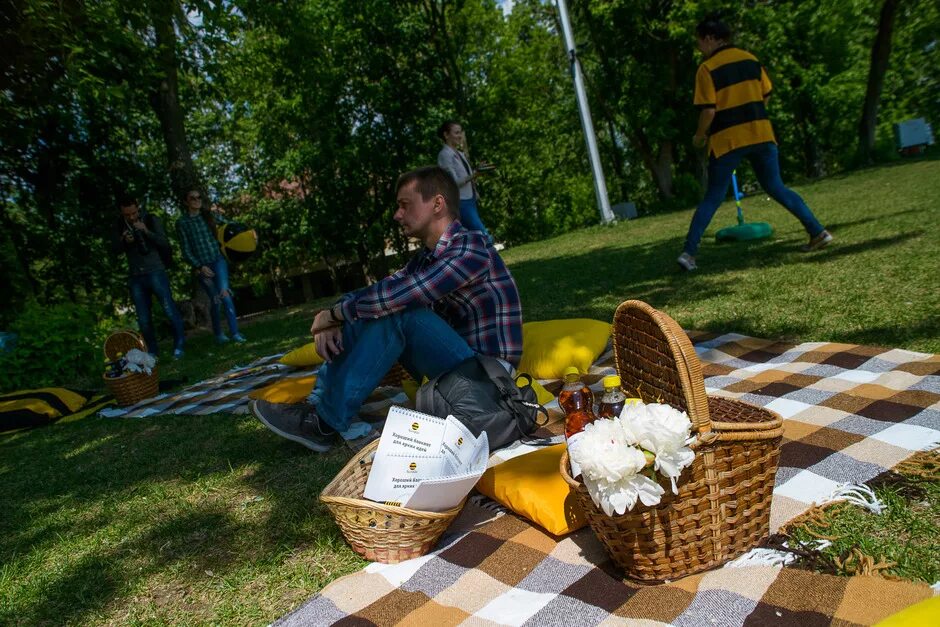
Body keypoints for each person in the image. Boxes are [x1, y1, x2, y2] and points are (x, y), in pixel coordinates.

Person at [250, 166, 523, 453]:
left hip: (488, 383)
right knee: (367, 308)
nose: (397, 215)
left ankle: (324, 424)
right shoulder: (424, 260)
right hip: (453, 374)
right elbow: (375, 293)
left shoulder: (471, 247)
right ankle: (318, 407)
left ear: (438, 204)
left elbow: (399, 296)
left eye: (405, 205)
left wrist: (332, 315)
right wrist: (332, 316)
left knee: (396, 310)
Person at [677, 13, 833, 272]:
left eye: (699, 42)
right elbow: (766, 94)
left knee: (713, 197)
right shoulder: (751, 59)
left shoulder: (706, 69)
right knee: (776, 187)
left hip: (727, 140)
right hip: (762, 134)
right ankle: (817, 232)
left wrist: (699, 135)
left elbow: (708, 111)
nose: (699, 48)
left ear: (710, 39)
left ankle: (689, 253)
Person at [112, 195, 186, 358]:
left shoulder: (151, 219)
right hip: (136, 276)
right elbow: (115, 250)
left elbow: (164, 242)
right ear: (122, 213)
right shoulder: (120, 225)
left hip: (156, 271)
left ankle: (179, 345)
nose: (131, 217)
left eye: (133, 213)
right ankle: (152, 351)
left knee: (169, 309)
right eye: (127, 215)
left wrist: (145, 231)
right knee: (143, 318)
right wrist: (124, 240)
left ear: (137, 207)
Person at [175, 189, 246, 343]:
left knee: (225, 294)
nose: (197, 200)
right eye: (192, 198)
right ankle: (219, 335)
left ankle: (235, 334)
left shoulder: (209, 216)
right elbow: (185, 250)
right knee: (216, 299)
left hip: (218, 260)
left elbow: (228, 225)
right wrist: (199, 266)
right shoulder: (182, 223)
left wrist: (246, 232)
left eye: (199, 197)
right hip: (202, 266)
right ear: (186, 202)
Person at [437, 120, 490, 238]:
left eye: (460, 132)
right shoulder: (444, 155)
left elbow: (468, 178)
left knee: (476, 237)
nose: (460, 136)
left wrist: (477, 171)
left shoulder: (460, 154)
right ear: (446, 135)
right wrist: (474, 174)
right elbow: (453, 183)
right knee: (483, 236)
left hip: (470, 199)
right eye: (456, 133)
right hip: (461, 201)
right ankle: (492, 257)